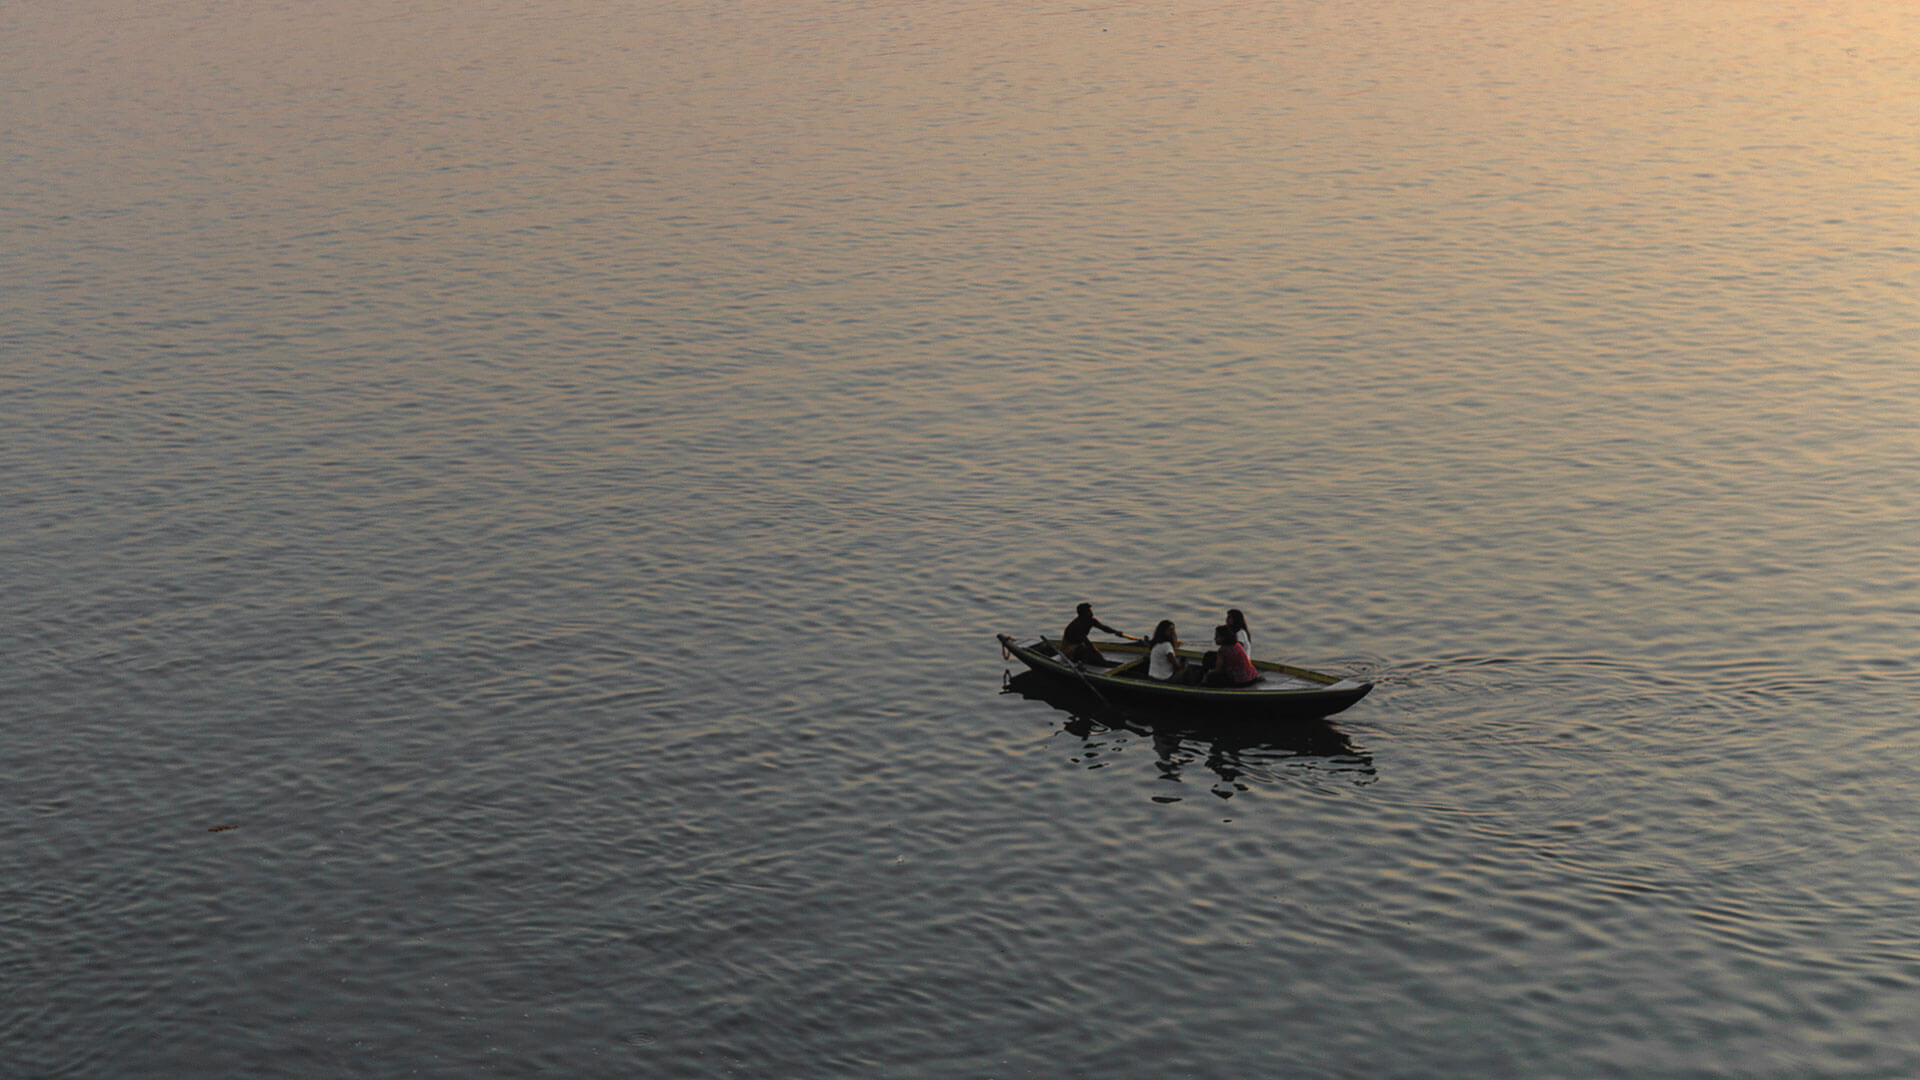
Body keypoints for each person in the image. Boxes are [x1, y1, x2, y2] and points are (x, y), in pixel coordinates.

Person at [1061, 602, 1129, 664]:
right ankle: (1084, 666)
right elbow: (1086, 642)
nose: (1091, 613)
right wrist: (1095, 652)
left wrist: (1115, 631)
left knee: (1094, 655)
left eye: (1090, 610)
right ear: (1083, 613)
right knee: (1086, 651)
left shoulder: (1091, 620)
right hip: (1068, 647)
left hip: (1079, 644)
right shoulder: (1077, 625)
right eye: (1089, 611)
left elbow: (1104, 628)